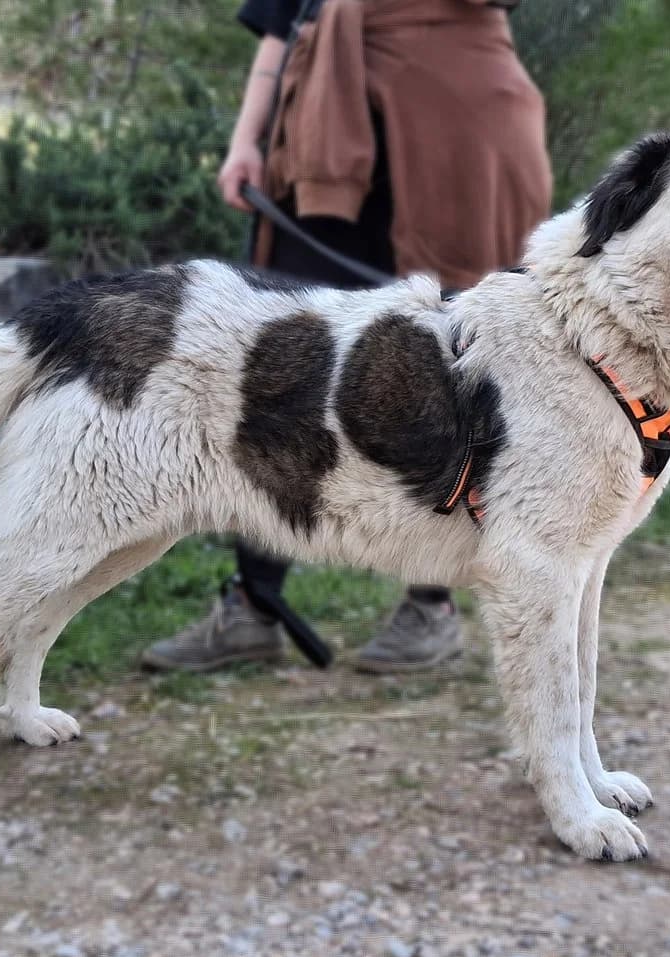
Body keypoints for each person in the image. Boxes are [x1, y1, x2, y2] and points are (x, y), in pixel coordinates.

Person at [141, 0, 552, 673]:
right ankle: (254, 603)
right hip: (324, 128)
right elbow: (283, 25)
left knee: (452, 367)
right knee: (281, 364)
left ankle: (432, 604)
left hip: (456, 129)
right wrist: (248, 140)